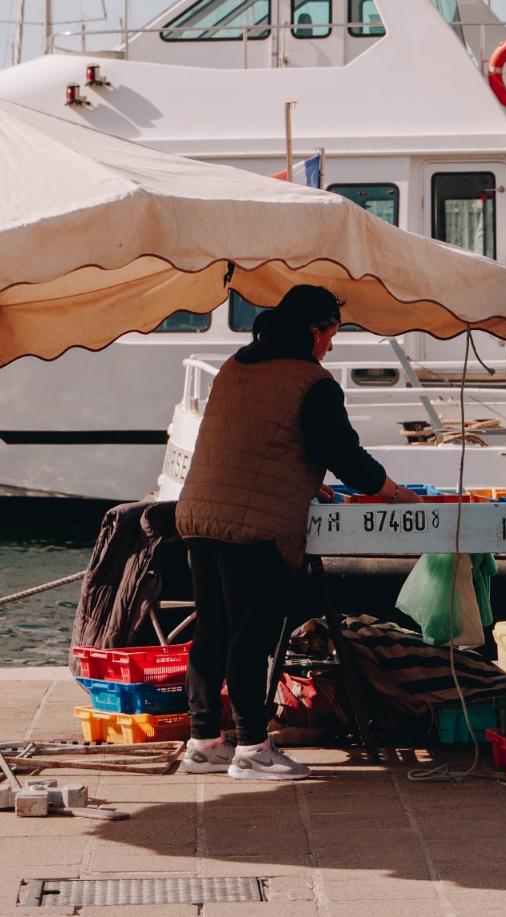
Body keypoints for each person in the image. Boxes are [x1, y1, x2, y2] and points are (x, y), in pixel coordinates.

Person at [173, 284, 419, 781]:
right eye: (332, 332)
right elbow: (346, 457)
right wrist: (396, 493)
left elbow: (259, 441)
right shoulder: (312, 381)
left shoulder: (236, 365)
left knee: (212, 628)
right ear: (314, 329)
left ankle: (203, 743)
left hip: (199, 514)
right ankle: (252, 748)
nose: (332, 344)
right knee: (249, 635)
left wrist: (310, 482)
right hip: (255, 526)